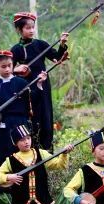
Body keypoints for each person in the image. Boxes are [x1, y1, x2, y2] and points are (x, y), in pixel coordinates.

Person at [11, 11, 69, 151]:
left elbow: (57, 57)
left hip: (43, 86)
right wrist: (17, 69)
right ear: (19, 30)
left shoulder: (40, 44)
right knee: (33, 119)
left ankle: (47, 153)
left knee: (46, 118)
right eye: (27, 28)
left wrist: (62, 44)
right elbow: (8, 71)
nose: (31, 30)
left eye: (33, 27)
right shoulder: (16, 50)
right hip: (28, 89)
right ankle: (32, 151)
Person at [0, 50, 35, 169]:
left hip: (21, 123)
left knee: (22, 153)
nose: (7, 69)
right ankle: (4, 184)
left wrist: (39, 84)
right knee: (4, 154)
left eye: (9, 66)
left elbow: (30, 102)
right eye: (3, 67)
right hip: (4, 125)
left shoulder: (21, 83)